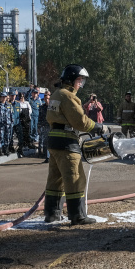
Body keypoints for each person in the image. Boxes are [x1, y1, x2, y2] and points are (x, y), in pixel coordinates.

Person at [45, 64, 101, 225]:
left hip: (54, 141)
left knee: (55, 179)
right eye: (79, 80)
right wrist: (96, 126)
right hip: (67, 143)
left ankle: (52, 214)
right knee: (75, 178)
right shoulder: (68, 96)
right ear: (70, 79)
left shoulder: (57, 94)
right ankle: (78, 215)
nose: (80, 84)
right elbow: (79, 121)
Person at [38, 91, 51, 163]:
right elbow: (40, 118)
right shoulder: (42, 107)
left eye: (48, 97)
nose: (47, 99)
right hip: (45, 126)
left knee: (52, 142)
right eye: (45, 97)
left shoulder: (53, 107)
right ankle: (47, 157)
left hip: (52, 126)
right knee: (45, 142)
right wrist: (39, 126)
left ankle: (52, 157)